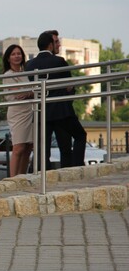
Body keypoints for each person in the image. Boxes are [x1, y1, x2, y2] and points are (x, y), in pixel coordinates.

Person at [25, 30, 86, 168]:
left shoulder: (29, 65)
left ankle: (41, 176)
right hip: (61, 110)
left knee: (42, 149)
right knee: (77, 138)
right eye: (55, 42)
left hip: (40, 111)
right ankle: (75, 169)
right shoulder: (59, 61)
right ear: (50, 45)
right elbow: (69, 86)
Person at [2, 45, 34, 176]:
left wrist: (29, 93)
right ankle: (12, 179)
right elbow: (19, 93)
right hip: (17, 113)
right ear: (8, 58)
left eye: (19, 53)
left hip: (30, 110)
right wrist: (30, 92)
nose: (17, 56)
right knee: (18, 147)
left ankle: (22, 176)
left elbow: (32, 92)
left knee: (28, 147)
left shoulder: (25, 73)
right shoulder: (8, 75)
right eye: (13, 54)